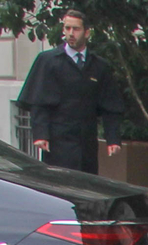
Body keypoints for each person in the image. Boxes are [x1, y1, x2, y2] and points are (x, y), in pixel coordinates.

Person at [20, 10, 125, 175]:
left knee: (87, 188)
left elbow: (110, 106)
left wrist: (113, 139)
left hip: (87, 144)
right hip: (57, 144)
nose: (70, 33)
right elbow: (38, 101)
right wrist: (41, 134)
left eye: (75, 29)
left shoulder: (99, 66)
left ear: (87, 32)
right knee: (60, 188)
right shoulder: (48, 61)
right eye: (67, 28)